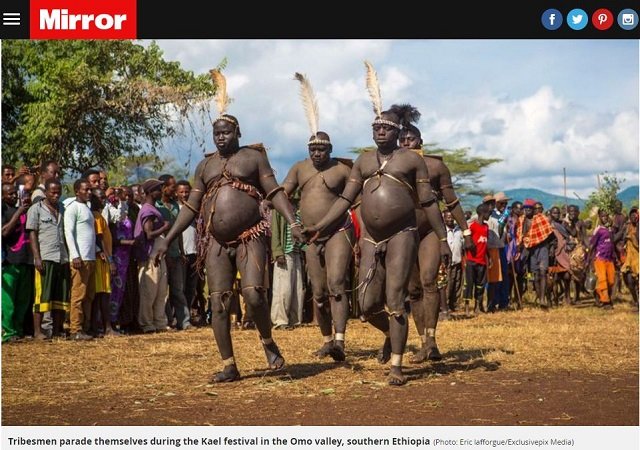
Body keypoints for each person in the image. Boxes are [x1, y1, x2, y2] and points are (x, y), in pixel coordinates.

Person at [153, 70, 303, 382]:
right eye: (216, 133)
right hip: (215, 242)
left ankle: (267, 342)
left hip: (251, 236)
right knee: (218, 301)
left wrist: (293, 222)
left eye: (226, 132)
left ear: (237, 132)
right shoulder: (204, 166)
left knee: (253, 294)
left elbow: (274, 192)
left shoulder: (252, 158)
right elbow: (192, 207)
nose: (221, 137)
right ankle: (229, 364)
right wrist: (167, 238)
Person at [304, 99, 449, 385]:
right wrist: (320, 226)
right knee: (367, 305)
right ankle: (389, 334)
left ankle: (397, 365)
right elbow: (346, 199)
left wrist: (443, 238)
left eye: (386, 128)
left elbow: (429, 202)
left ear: (397, 131)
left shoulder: (411, 160)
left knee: (395, 298)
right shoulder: (364, 161)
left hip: (402, 235)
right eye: (376, 127)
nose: (380, 131)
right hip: (371, 237)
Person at [282, 73, 354, 360]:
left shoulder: (342, 170)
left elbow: (356, 199)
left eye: (321, 149)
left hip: (338, 232)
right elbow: (283, 194)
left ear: (331, 150)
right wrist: (292, 221)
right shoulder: (299, 169)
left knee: (337, 285)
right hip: (310, 236)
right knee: (320, 293)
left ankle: (340, 340)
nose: (316, 153)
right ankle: (326, 340)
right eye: (312, 149)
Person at [399, 121, 472, 363]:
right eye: (402, 139)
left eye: (411, 138)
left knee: (429, 280)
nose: (406, 142)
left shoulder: (435, 166)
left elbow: (451, 201)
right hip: (404, 231)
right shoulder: (391, 166)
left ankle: (431, 341)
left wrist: (466, 231)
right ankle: (423, 342)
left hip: (430, 230)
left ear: (421, 141)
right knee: (413, 289)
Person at [27, 179, 69, 340]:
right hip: (45, 257)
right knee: (42, 296)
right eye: (53, 192)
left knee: (60, 295)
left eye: (58, 192)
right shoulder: (35, 209)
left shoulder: (63, 209)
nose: (56, 195)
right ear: (45, 192)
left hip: (62, 257)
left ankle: (57, 330)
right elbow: (32, 234)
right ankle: (38, 331)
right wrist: (37, 257)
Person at [134, 179, 171, 333]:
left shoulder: (153, 209)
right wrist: (165, 227)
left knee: (161, 292)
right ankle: (147, 323)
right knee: (149, 292)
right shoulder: (147, 211)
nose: (160, 191)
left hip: (159, 256)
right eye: (157, 189)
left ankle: (160, 322)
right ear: (149, 192)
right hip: (150, 256)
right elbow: (148, 234)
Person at [156, 174, 190, 331]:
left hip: (176, 254)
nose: (174, 189)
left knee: (178, 290)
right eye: (172, 186)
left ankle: (184, 321)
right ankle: (166, 320)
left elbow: (179, 231)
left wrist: (182, 251)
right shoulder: (156, 206)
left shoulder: (176, 206)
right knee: (161, 291)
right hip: (161, 255)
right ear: (163, 188)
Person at [63, 179, 96, 341]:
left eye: (90, 190)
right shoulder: (72, 208)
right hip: (79, 259)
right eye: (85, 190)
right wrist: (75, 255)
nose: (89, 192)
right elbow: (68, 232)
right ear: (77, 191)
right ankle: (75, 329)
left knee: (88, 295)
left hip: (90, 258)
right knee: (78, 295)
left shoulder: (87, 208)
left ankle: (85, 327)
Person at [2, 183, 33, 342]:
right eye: (10, 194)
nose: (14, 196)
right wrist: (19, 212)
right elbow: (4, 232)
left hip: (26, 260)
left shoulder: (24, 211)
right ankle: (8, 332)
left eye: (15, 194)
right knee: (8, 301)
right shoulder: (5, 211)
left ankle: (19, 330)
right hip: (10, 262)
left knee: (23, 300)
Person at [524, 201, 554, 307]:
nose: (538, 211)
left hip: (543, 249)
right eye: (535, 209)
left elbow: (551, 235)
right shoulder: (527, 221)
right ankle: (539, 295)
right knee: (535, 275)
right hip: (532, 250)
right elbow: (525, 235)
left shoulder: (545, 220)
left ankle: (542, 299)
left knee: (543, 271)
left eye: (539, 208)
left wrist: (551, 248)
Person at [463, 204, 490, 316]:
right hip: (471, 261)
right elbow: (467, 243)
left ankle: (477, 307)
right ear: (482, 214)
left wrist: (488, 257)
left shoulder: (486, 227)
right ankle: (467, 308)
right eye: (488, 213)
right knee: (469, 284)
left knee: (480, 285)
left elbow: (485, 243)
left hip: (482, 261)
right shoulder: (472, 227)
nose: (489, 215)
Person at [588, 209, 617, 310]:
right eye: (603, 216)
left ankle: (599, 296)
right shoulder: (598, 230)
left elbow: (613, 244)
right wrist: (589, 260)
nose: (605, 218)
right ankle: (605, 302)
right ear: (599, 217)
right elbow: (592, 245)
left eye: (606, 216)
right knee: (602, 280)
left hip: (609, 259)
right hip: (600, 258)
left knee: (611, 280)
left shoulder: (610, 229)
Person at [619, 207, 638, 310]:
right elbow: (618, 239)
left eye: (635, 215)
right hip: (629, 259)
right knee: (630, 281)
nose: (633, 217)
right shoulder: (627, 227)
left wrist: (632, 237)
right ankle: (635, 300)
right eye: (632, 215)